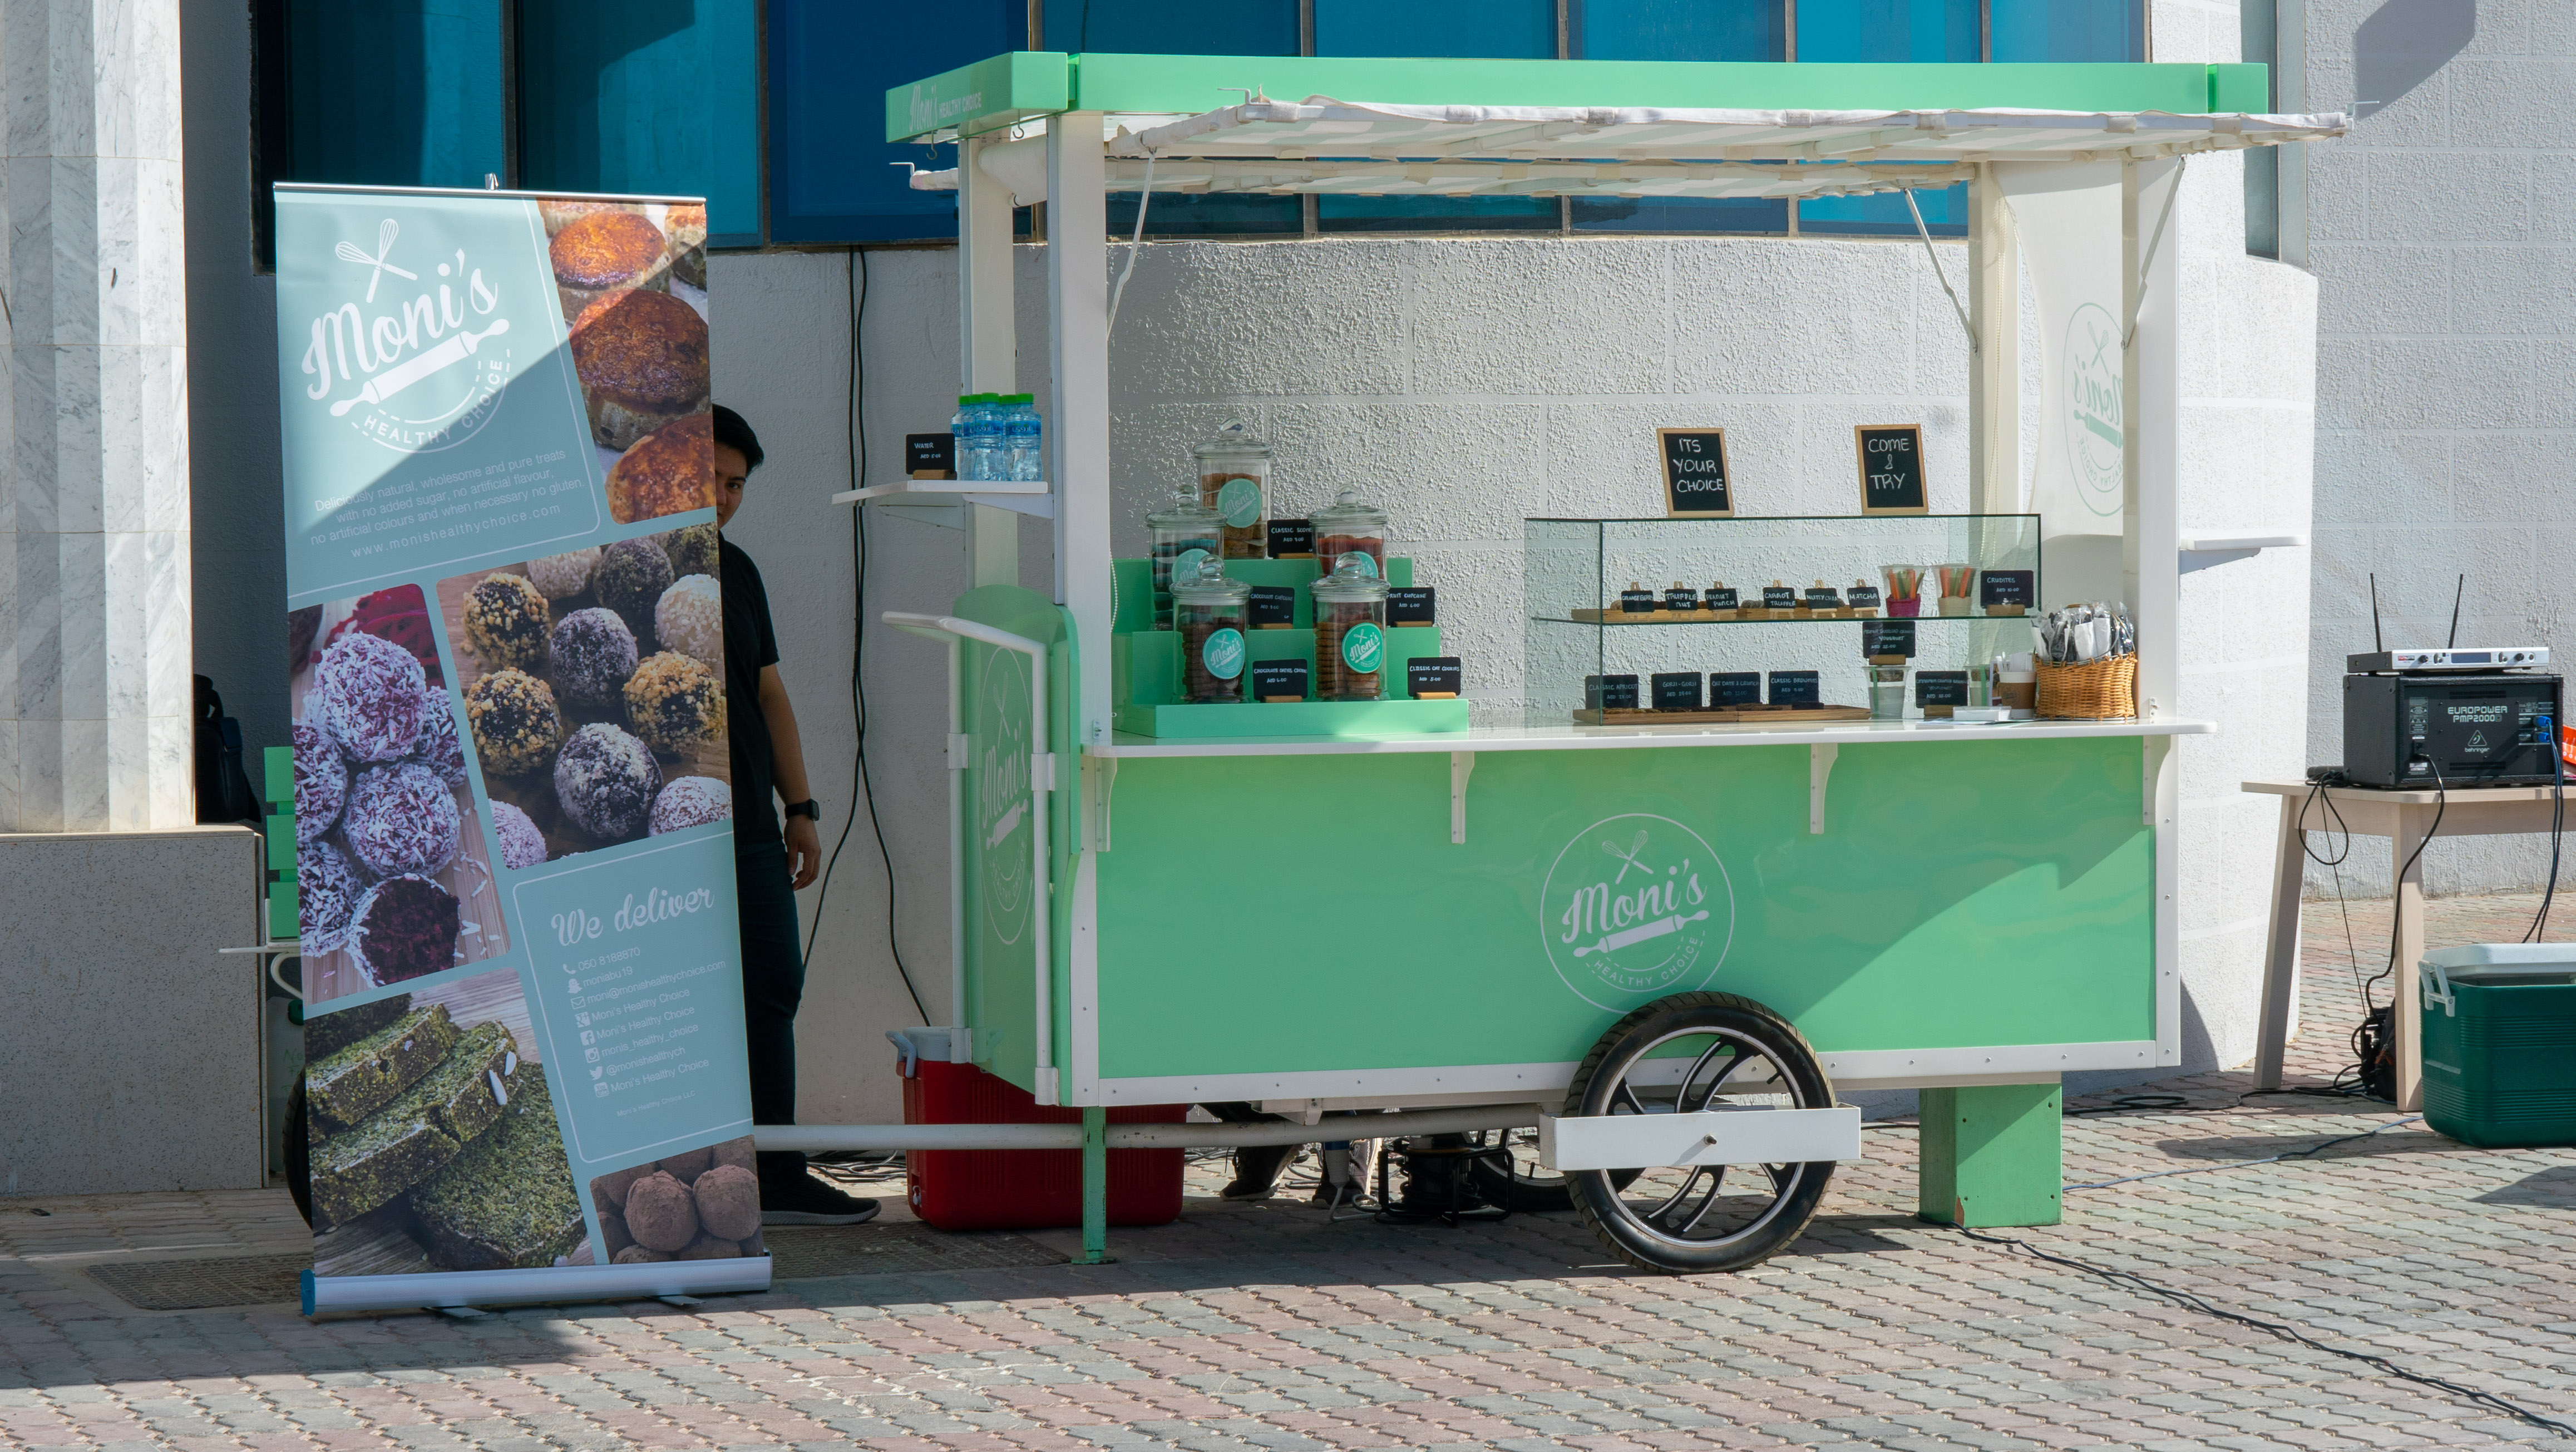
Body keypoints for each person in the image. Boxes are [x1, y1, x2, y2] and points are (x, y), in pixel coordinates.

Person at [712, 405, 878, 1225]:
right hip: (659, 838)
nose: (722, 497)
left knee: (774, 984)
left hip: (749, 830)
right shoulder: (630, 563)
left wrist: (801, 808)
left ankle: (776, 1174)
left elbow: (770, 694)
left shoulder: (739, 571)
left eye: (736, 484)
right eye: (709, 478)